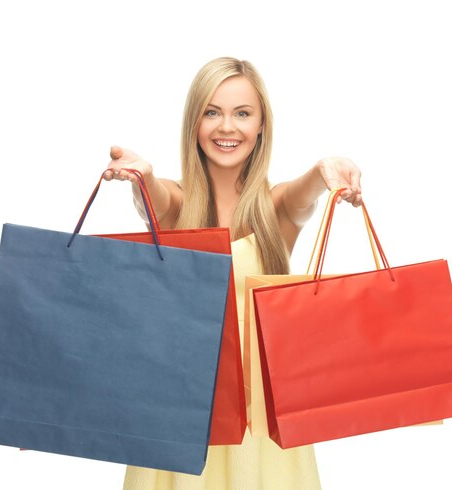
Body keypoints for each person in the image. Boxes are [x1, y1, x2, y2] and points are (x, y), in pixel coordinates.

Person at [105, 57, 362, 490]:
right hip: (179, 412)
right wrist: (142, 177)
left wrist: (322, 173)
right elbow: (155, 198)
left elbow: (302, 196)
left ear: (261, 125)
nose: (227, 127)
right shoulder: (177, 202)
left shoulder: (275, 207)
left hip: (258, 421)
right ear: (194, 123)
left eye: (242, 113)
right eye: (212, 112)